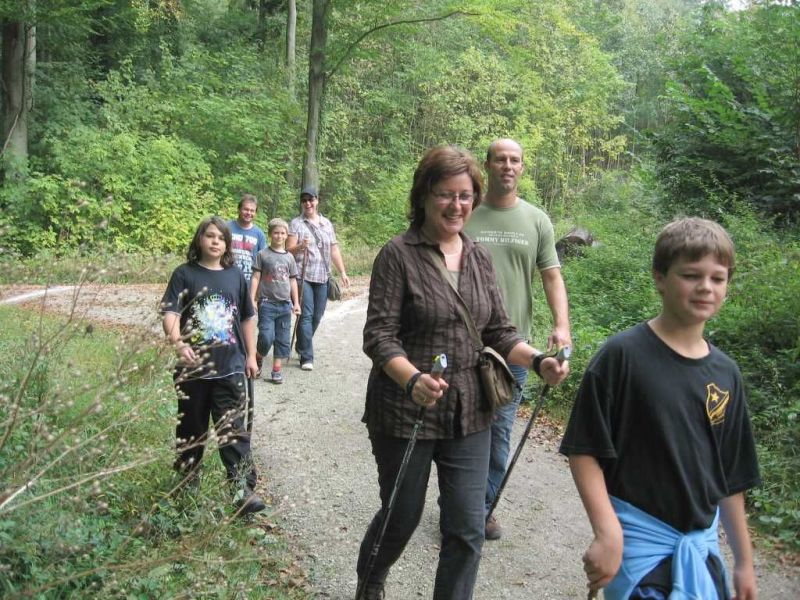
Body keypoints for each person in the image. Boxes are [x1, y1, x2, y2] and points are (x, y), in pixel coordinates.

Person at [356, 145, 569, 599]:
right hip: (404, 410)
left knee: (467, 527)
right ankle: (370, 585)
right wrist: (411, 378)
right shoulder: (398, 255)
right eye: (445, 195)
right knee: (401, 515)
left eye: (466, 196)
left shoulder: (477, 257)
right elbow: (378, 336)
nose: (457, 205)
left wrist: (538, 361)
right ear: (424, 196)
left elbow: (498, 329)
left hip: (469, 412)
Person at [559, 218, 760, 600]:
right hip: (642, 551)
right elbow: (585, 449)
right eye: (690, 275)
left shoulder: (726, 373)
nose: (705, 287)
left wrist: (744, 563)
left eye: (717, 278)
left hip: (701, 553)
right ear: (660, 278)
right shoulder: (622, 357)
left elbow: (731, 478)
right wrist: (607, 531)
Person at [464, 138, 571, 540]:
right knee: (459, 432)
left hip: (515, 351)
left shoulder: (537, 221)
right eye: (500, 159)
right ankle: (459, 505)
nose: (507, 166)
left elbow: (551, 276)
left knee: (498, 433)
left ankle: (479, 511)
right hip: (465, 346)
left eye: (515, 160)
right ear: (487, 165)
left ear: (523, 167)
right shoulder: (466, 213)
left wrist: (562, 325)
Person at [160, 216, 266, 516]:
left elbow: (246, 317)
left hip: (230, 368)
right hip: (192, 370)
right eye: (209, 236)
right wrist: (179, 344)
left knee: (232, 430)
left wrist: (249, 356)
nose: (215, 241)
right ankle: (186, 484)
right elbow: (170, 313)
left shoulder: (235, 276)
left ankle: (241, 490)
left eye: (221, 237)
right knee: (191, 429)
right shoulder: (184, 274)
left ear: (227, 244)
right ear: (199, 240)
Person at [286, 186, 350, 371]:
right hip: (301, 276)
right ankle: (307, 356)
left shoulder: (326, 224)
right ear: (301, 203)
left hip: (322, 276)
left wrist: (342, 272)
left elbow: (334, 249)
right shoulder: (296, 223)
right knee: (305, 316)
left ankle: (301, 344)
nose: (308, 203)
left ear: (317, 201)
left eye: (311, 200)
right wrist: (300, 246)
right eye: (304, 200)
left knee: (317, 315)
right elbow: (288, 250)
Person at [250, 218, 301, 384]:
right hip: (267, 303)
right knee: (266, 336)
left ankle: (276, 370)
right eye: (276, 233)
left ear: (287, 235)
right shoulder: (263, 254)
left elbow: (293, 281)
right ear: (270, 234)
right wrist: (252, 299)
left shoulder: (289, 258)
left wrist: (296, 303)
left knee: (282, 338)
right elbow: (256, 277)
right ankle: (258, 356)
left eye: (282, 233)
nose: (279, 236)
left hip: (285, 304)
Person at [228, 193, 267, 282]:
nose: (249, 213)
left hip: (249, 281)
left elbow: (262, 262)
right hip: (227, 278)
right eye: (246, 209)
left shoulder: (259, 234)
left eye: (252, 210)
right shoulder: (227, 228)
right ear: (239, 209)